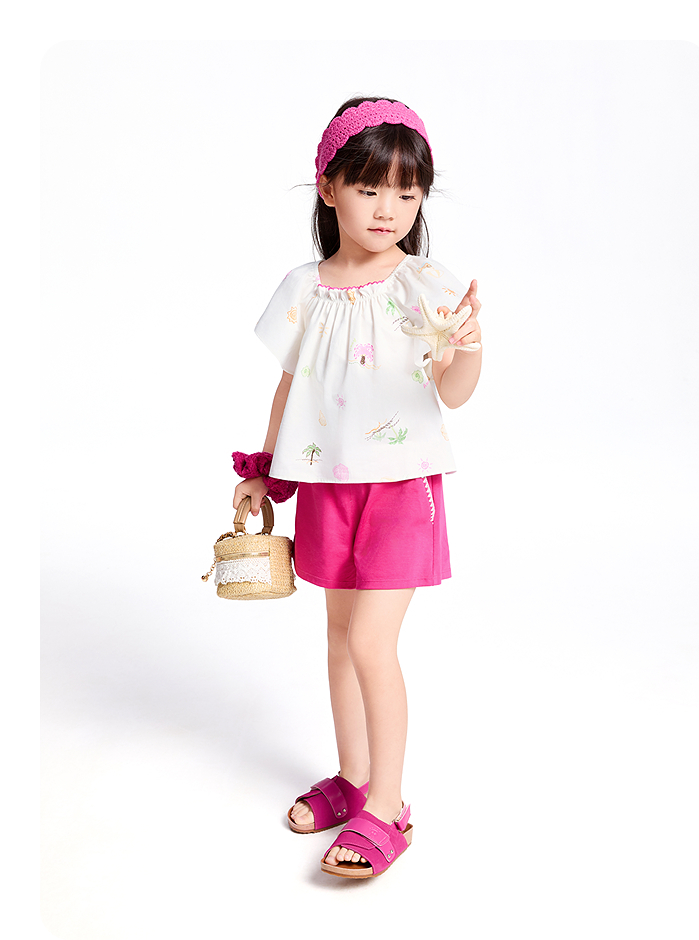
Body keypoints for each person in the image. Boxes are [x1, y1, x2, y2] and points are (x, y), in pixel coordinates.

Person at [231, 96, 482, 878]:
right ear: (328, 186)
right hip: (327, 487)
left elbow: (453, 392)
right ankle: (355, 776)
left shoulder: (424, 285)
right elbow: (288, 386)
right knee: (339, 640)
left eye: (407, 192)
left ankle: (390, 807)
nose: (389, 209)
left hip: (400, 490)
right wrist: (263, 472)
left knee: (372, 642)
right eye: (370, 188)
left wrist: (468, 349)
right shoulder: (304, 288)